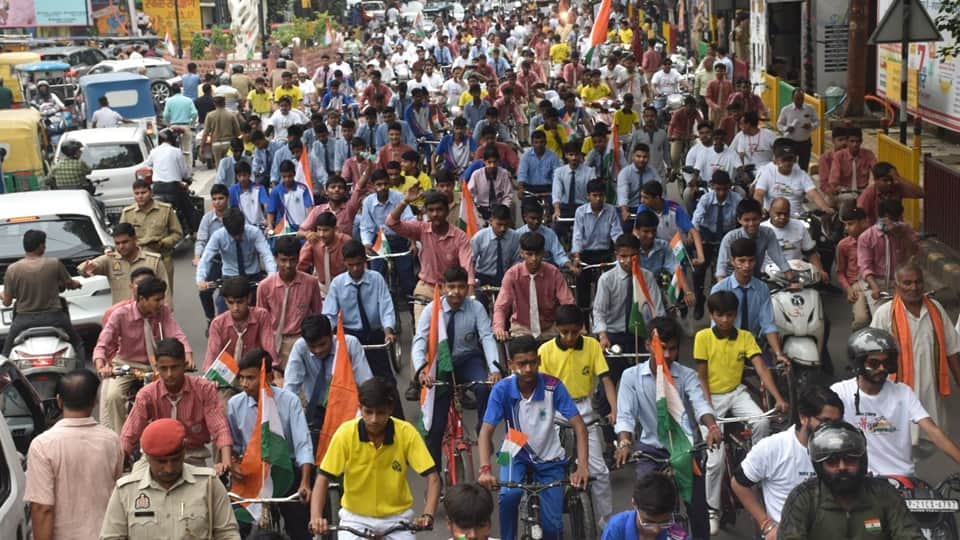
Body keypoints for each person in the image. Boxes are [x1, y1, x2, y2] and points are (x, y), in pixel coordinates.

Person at [613, 316, 721, 539]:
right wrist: (624, 442)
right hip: (650, 452)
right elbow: (625, 416)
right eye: (663, 349)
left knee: (698, 511)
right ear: (648, 346)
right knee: (646, 508)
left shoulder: (687, 375)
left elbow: (701, 405)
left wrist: (711, 427)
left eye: (673, 348)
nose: (669, 355)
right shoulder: (630, 377)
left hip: (685, 449)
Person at [477, 335, 589, 540]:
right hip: (512, 448)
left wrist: (582, 466)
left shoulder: (553, 386)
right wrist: (485, 469)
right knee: (508, 496)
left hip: (550, 453)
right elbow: (486, 431)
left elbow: (580, 427)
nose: (528, 368)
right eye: (522, 363)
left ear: (538, 360)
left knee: (553, 528)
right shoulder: (501, 389)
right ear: (511, 365)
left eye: (532, 362)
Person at [695, 290, 788, 534]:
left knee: (762, 422)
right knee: (715, 459)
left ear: (735, 315)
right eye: (719, 315)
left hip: (736, 393)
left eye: (729, 315)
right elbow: (702, 378)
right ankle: (712, 510)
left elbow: (761, 370)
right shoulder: (703, 337)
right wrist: (708, 410)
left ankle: (754, 467)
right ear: (712, 315)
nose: (724, 320)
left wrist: (778, 399)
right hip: (711, 397)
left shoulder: (745, 337)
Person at [309, 377, 440, 537]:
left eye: (381, 412)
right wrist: (315, 518)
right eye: (368, 412)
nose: (374, 419)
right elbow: (323, 478)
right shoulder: (345, 434)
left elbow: (433, 477)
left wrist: (428, 515)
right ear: (360, 408)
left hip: (397, 518)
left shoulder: (407, 433)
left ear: (390, 409)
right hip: (355, 518)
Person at [831, 327, 960, 476]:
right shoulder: (840, 393)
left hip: (903, 478)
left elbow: (934, 432)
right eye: (873, 363)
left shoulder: (903, 393)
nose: (881, 368)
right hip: (860, 481)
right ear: (858, 363)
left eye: (886, 363)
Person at [731, 385, 845, 539]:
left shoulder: (843, 447)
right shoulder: (772, 447)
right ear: (804, 417)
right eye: (825, 421)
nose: (831, 429)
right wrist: (766, 524)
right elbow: (738, 483)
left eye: (836, 422)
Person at [538, 305, 616, 528]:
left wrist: (614, 409)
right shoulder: (545, 351)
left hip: (584, 408)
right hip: (555, 409)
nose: (570, 337)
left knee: (599, 471)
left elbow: (606, 380)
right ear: (556, 329)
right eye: (564, 332)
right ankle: (548, 518)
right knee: (549, 464)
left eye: (574, 332)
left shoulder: (592, 346)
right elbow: (540, 388)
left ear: (582, 328)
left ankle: (606, 520)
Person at [777, 421, 922, 540]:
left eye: (850, 459)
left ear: (862, 461)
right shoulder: (803, 498)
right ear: (819, 466)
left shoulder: (884, 494)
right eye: (832, 462)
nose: (842, 467)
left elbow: (910, 535)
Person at [100, 418, 240, 539]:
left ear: (184, 452)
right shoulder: (126, 491)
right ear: (147, 458)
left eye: (175, 459)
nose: (169, 468)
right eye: (161, 462)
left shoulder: (209, 484)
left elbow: (228, 534)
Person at [415, 266, 500, 466]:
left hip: (468, 359)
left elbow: (486, 336)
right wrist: (421, 370)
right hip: (441, 366)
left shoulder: (476, 307)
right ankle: (434, 474)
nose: (456, 292)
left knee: (483, 387)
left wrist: (494, 369)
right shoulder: (432, 310)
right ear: (443, 288)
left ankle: (483, 429)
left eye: (461, 287)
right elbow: (419, 341)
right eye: (451, 286)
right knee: (435, 428)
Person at [24, 369, 123, 540]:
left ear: (59, 401)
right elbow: (116, 491)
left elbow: (42, 508)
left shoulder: (42, 445)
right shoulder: (112, 440)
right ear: (95, 401)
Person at [869, 263, 960, 443]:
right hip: (897, 392)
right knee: (900, 441)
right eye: (907, 283)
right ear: (897, 286)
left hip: (931, 391)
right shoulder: (884, 314)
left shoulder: (936, 309)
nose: (914, 287)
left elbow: (952, 350)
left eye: (918, 282)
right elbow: (871, 355)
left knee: (931, 440)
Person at [229, 349, 314, 540]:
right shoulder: (235, 404)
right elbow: (232, 445)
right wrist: (234, 464)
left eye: (250, 378)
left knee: (300, 527)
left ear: (267, 376)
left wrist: (305, 482)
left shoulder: (289, 401)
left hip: (286, 469)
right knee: (235, 526)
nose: (244, 384)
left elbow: (303, 445)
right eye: (241, 378)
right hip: (251, 472)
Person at [94, 277, 192, 432]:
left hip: (157, 366)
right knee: (113, 397)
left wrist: (187, 354)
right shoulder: (120, 314)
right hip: (126, 366)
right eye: (156, 300)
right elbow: (103, 343)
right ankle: (121, 442)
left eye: (162, 299)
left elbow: (177, 334)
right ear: (141, 299)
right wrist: (101, 364)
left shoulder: (163, 312)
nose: (161, 303)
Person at [121, 338, 232, 472]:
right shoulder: (147, 395)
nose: (169, 374)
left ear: (184, 365)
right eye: (164, 368)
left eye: (174, 367)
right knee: (136, 483)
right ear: (156, 368)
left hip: (192, 455)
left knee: (205, 487)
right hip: (156, 456)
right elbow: (129, 433)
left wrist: (226, 462)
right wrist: (121, 460)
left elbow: (220, 428)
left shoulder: (204, 390)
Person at [320, 240, 401, 416]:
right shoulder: (337, 284)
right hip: (350, 338)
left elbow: (386, 307)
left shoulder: (376, 279)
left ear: (365, 260)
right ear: (344, 263)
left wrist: (388, 331)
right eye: (351, 265)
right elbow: (330, 315)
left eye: (359, 264)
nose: (355, 269)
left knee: (387, 383)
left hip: (375, 337)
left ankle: (398, 422)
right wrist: (329, 335)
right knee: (350, 384)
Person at [386, 188, 475, 322]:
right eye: (431, 210)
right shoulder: (421, 229)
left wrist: (470, 292)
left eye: (439, 210)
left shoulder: (460, 237)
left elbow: (467, 266)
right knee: (423, 334)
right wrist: (405, 202)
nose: (435, 214)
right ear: (426, 212)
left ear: (446, 211)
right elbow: (391, 223)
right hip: (426, 289)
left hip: (451, 289)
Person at [2, 230, 84, 358]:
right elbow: (69, 283)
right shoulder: (54, 263)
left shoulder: (12, 269)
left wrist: (2, 295)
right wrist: (77, 284)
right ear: (41, 246)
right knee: (78, 344)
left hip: (23, 319)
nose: (45, 247)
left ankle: (7, 377)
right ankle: (81, 376)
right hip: (55, 317)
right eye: (44, 244)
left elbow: (6, 302)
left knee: (6, 352)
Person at [283, 314, 374, 429]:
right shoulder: (300, 348)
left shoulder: (350, 344)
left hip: (348, 409)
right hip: (317, 410)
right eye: (312, 346)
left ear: (331, 334)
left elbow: (365, 383)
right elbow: (290, 387)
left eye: (322, 344)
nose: (318, 350)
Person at [711, 237, 789, 363]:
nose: (747, 266)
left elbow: (768, 324)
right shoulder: (719, 289)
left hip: (754, 343)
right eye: (741, 261)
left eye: (751, 260)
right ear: (732, 261)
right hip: (727, 344)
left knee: (771, 374)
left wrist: (778, 353)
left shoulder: (762, 288)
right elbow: (716, 326)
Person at [493, 232, 575, 341]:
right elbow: (501, 306)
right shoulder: (512, 274)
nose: (534, 259)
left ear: (544, 253)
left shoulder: (554, 273)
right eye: (529, 254)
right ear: (521, 253)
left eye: (538, 254)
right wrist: (499, 328)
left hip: (550, 328)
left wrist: (576, 325)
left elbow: (568, 303)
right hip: (521, 328)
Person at [258, 236, 323, 368]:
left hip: (301, 340)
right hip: (274, 341)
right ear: (275, 259)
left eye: (292, 260)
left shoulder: (311, 283)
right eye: (283, 260)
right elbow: (262, 322)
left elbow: (317, 314)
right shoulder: (264, 286)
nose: (288, 265)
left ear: (298, 258)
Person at [691, 170, 742, 318]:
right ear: (712, 186)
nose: (721, 193)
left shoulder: (737, 199)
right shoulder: (706, 199)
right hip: (708, 235)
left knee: (727, 270)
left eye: (725, 189)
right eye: (718, 189)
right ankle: (699, 300)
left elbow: (741, 219)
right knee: (699, 271)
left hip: (728, 236)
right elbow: (697, 218)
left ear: (729, 187)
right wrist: (693, 233)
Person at [122, 176, 184, 296]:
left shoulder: (165, 210)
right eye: (137, 193)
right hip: (138, 261)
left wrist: (163, 243)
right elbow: (121, 237)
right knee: (138, 297)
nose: (140, 196)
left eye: (143, 192)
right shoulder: (127, 213)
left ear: (151, 193)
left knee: (164, 296)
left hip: (161, 259)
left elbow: (177, 233)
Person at [80, 223, 168, 304]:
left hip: (148, 316)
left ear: (135, 239)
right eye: (117, 243)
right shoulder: (109, 260)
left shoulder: (153, 261)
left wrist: (165, 316)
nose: (121, 246)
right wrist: (86, 268)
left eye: (125, 242)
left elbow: (166, 292)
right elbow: (85, 270)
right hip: (121, 317)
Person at [857, 199, 920, 311]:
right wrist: (875, 287)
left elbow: (914, 250)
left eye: (898, 218)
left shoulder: (905, 230)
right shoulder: (867, 237)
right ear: (883, 218)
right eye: (893, 219)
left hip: (900, 283)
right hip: (876, 283)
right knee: (880, 316)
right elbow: (865, 266)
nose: (896, 222)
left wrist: (901, 235)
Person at [196, 208, 277, 291]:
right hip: (230, 277)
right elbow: (206, 259)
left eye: (240, 233)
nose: (237, 237)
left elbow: (267, 255)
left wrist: (272, 275)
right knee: (220, 302)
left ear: (243, 225)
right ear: (226, 228)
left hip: (252, 276)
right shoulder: (218, 236)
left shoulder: (255, 233)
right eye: (233, 234)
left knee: (264, 298)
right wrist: (200, 279)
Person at [205, 277, 275, 371]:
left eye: (240, 302)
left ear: (249, 298)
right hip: (226, 373)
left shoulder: (262, 316)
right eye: (231, 302)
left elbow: (269, 347)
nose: (235, 308)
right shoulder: (217, 324)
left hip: (255, 372)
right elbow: (212, 356)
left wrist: (275, 370)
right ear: (225, 301)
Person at [572, 179, 622, 307]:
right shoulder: (580, 212)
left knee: (610, 288)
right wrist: (577, 257)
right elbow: (577, 235)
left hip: (604, 254)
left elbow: (616, 233)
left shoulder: (611, 211)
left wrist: (620, 251)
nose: (598, 199)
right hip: (586, 255)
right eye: (595, 195)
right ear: (588, 196)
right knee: (582, 292)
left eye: (601, 195)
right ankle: (583, 319)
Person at [715, 198, 791, 281]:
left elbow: (778, 256)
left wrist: (791, 279)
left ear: (761, 217)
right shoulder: (730, 238)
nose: (751, 224)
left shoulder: (768, 233)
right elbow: (721, 267)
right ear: (739, 220)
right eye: (746, 220)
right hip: (732, 280)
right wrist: (722, 287)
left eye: (754, 219)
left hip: (755, 280)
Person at [753, 139, 833, 216]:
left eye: (790, 159)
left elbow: (814, 194)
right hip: (772, 217)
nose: (788, 162)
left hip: (797, 217)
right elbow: (759, 194)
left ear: (794, 160)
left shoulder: (802, 175)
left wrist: (825, 208)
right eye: (784, 159)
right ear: (776, 161)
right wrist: (758, 209)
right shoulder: (767, 173)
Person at [602, 472, 689, 540]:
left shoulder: (676, 535)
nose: (656, 530)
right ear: (634, 503)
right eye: (648, 522)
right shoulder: (616, 528)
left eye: (664, 523)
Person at [760, 197, 829, 279]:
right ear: (770, 211)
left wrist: (820, 270)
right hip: (770, 277)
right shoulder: (761, 230)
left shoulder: (799, 226)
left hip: (798, 274)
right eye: (779, 213)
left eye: (786, 214)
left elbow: (810, 253)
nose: (782, 217)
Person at [472, 204, 521, 293]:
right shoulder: (480, 236)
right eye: (499, 224)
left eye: (506, 225)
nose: (502, 229)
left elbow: (517, 261)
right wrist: (471, 281)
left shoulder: (515, 237)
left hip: (506, 277)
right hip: (483, 277)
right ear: (491, 221)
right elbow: (471, 261)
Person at [837, 207, 871, 330]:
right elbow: (840, 272)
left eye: (850, 224)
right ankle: (857, 343)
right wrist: (849, 289)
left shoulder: (875, 240)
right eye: (845, 225)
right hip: (857, 286)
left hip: (877, 284)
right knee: (861, 320)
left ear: (864, 222)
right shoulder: (843, 245)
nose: (846, 228)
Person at [858, 162, 925, 224]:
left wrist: (898, 178)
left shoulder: (896, 188)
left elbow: (921, 193)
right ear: (876, 180)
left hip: (897, 230)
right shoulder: (867, 195)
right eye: (885, 180)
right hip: (876, 233)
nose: (889, 183)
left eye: (891, 180)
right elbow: (859, 219)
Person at [826, 127, 877, 201]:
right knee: (828, 200)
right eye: (852, 141)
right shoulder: (839, 156)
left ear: (861, 141)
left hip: (862, 190)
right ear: (847, 142)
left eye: (858, 141)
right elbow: (834, 176)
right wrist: (833, 187)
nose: (855, 144)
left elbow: (876, 171)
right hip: (844, 190)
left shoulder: (868, 154)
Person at [267, 159, 314, 232]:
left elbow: (309, 208)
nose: (287, 179)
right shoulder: (276, 191)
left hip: (302, 228)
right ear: (280, 175)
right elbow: (271, 211)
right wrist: (270, 226)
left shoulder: (303, 189)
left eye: (290, 176)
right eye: (284, 176)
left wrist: (309, 225)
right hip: (283, 229)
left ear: (294, 174)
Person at [469, 146, 514, 220]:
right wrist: (476, 211)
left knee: (511, 209)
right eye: (489, 162)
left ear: (498, 161)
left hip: (500, 208)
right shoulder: (476, 175)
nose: (492, 165)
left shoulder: (504, 174)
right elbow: (470, 195)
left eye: (495, 162)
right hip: (481, 209)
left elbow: (508, 195)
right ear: (484, 161)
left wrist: (503, 209)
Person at [161, 84, 198, 168]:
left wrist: (169, 124)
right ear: (180, 91)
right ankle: (189, 170)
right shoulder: (188, 100)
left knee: (172, 149)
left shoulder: (169, 101)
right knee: (187, 149)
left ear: (171, 92)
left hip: (173, 127)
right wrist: (191, 122)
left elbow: (166, 115)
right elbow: (194, 113)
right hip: (185, 126)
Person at [629, 106, 670, 180]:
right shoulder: (637, 134)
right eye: (647, 116)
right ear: (643, 118)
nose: (649, 119)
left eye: (652, 116)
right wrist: (629, 168)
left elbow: (666, 152)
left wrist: (669, 166)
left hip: (659, 171)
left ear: (656, 117)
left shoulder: (662, 133)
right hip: (642, 171)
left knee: (662, 191)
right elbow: (632, 152)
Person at [228, 160, 269, 227]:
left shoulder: (259, 188)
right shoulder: (232, 190)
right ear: (236, 176)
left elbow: (266, 205)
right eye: (239, 176)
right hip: (241, 227)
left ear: (249, 175)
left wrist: (268, 221)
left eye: (244, 175)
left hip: (260, 225)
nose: (242, 179)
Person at [204, 94, 242, 164]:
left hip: (216, 144)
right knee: (230, 165)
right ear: (224, 102)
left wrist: (201, 147)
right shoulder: (231, 115)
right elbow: (237, 132)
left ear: (214, 104)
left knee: (219, 167)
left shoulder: (209, 115)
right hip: (229, 143)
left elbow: (205, 133)